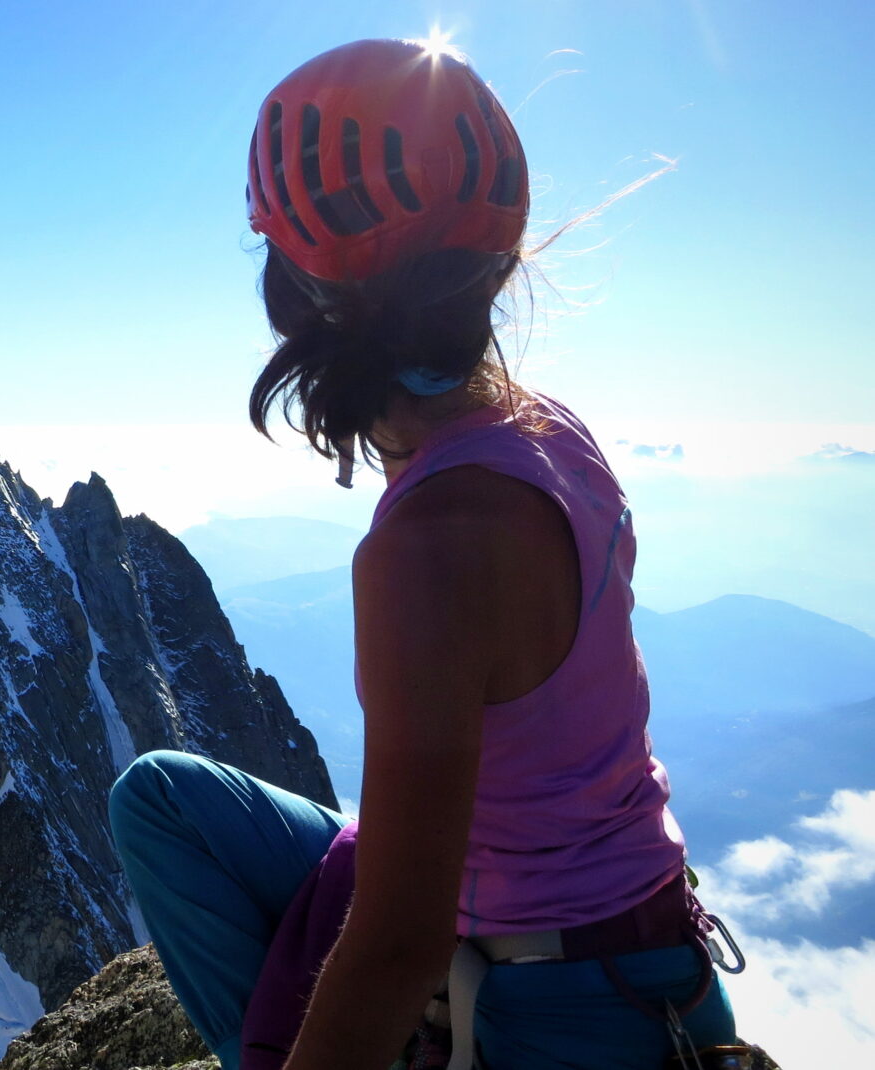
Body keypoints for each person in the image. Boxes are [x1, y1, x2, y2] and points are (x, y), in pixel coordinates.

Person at [108, 38, 744, 1070]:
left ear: (303, 299)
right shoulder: (546, 431)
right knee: (160, 793)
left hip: (563, 1007)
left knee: (195, 837)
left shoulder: (430, 548)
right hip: (640, 946)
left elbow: (398, 941)